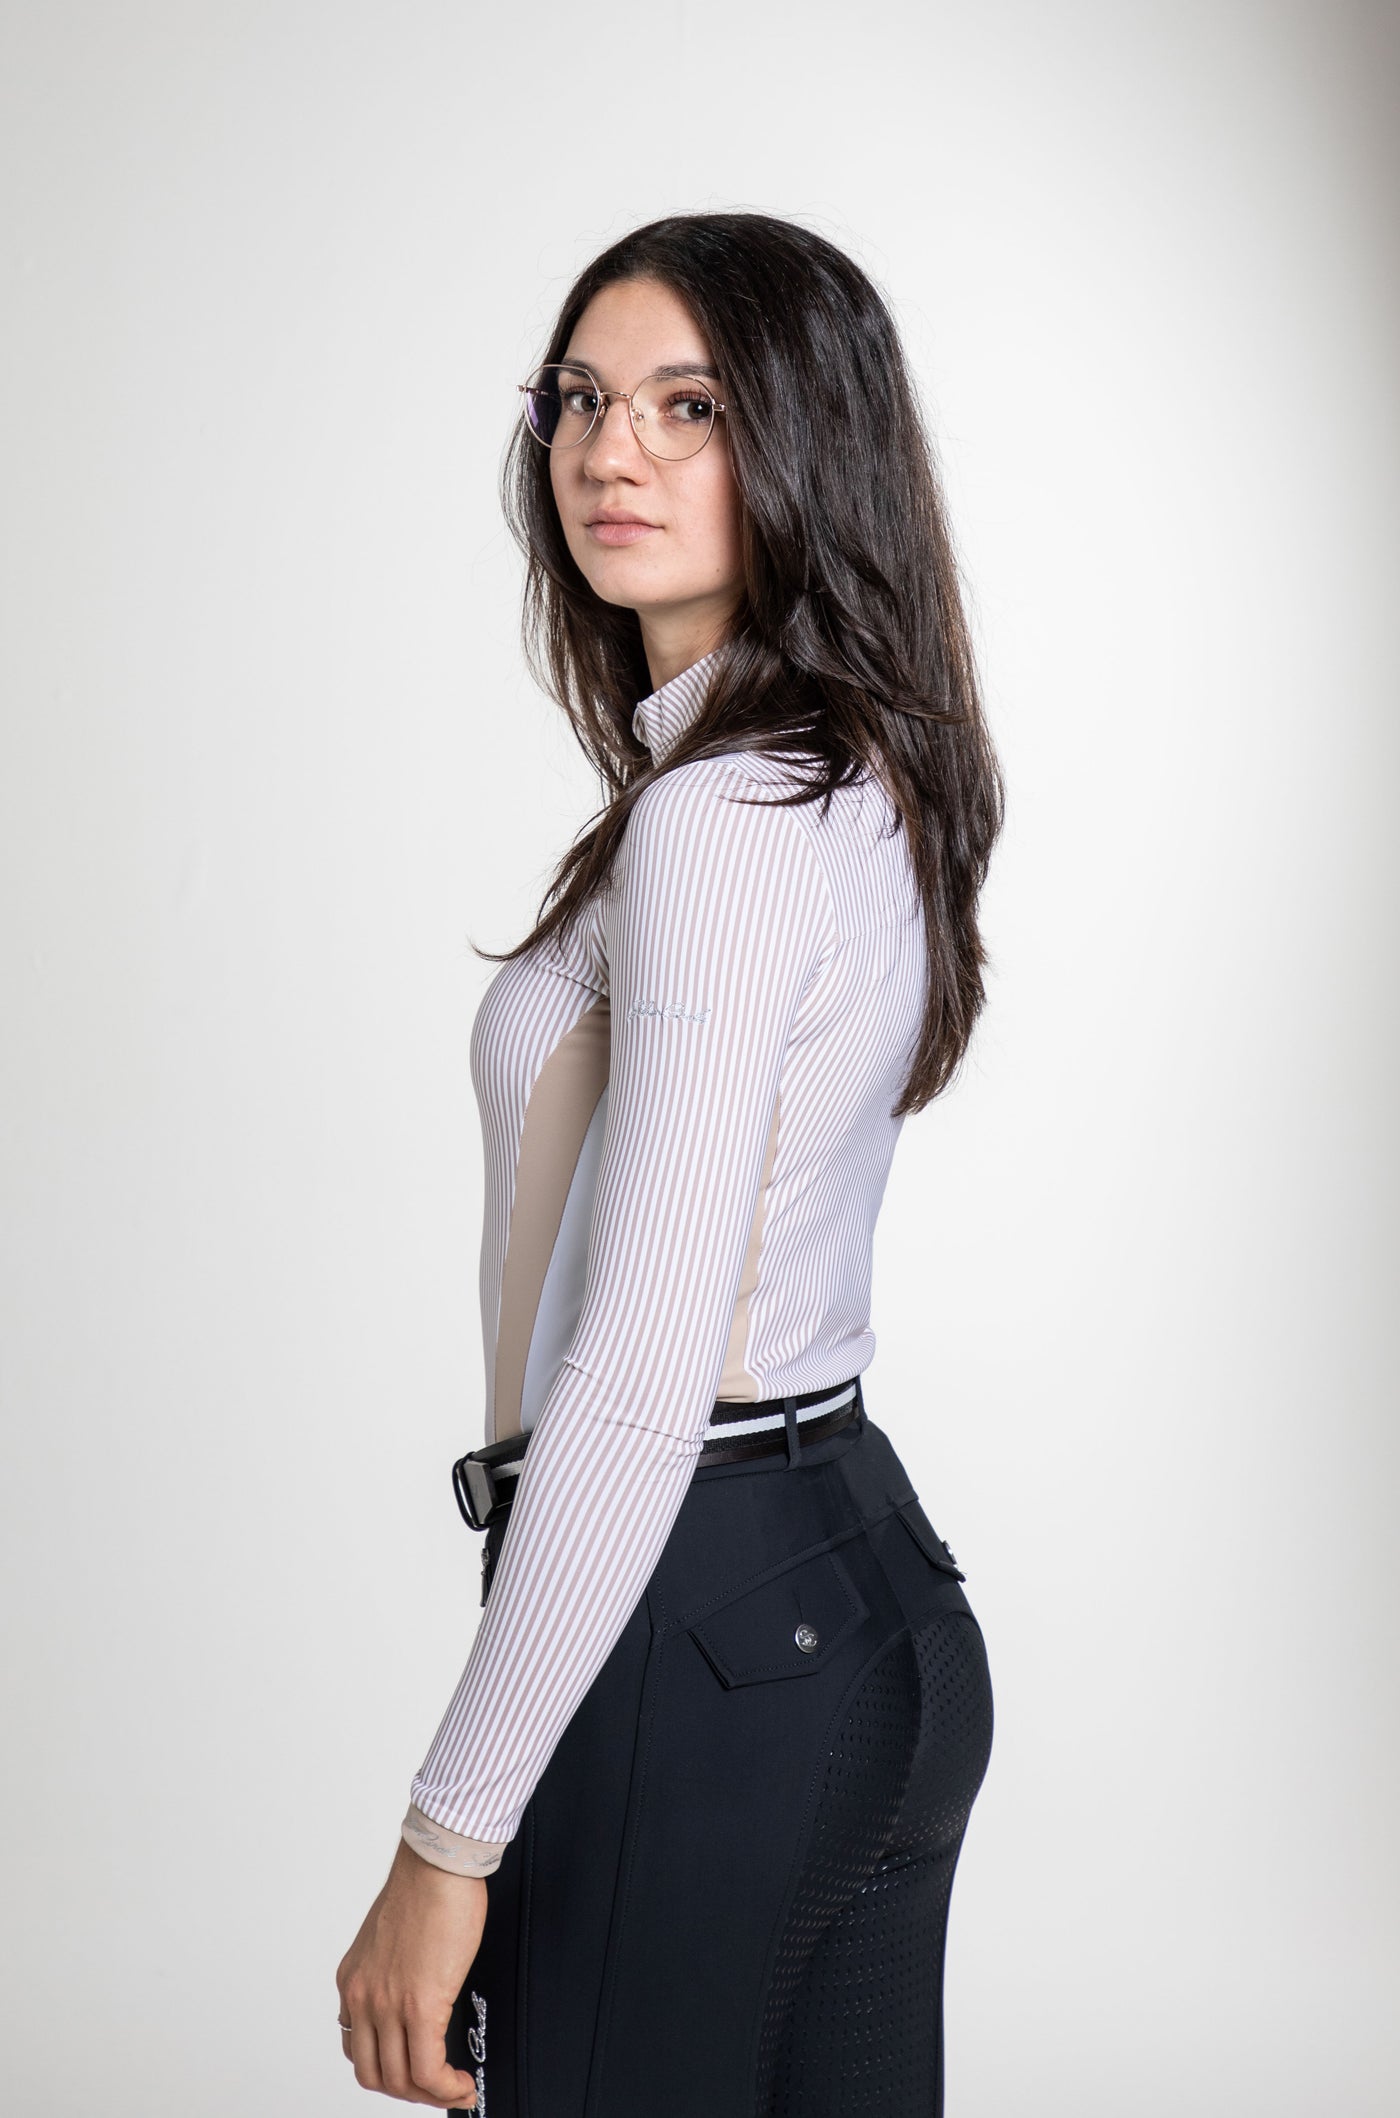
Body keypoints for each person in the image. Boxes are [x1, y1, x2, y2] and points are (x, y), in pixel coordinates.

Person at [335, 209, 1004, 2116]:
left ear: (808, 435)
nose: (608, 449)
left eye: (687, 405)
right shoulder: (855, 773)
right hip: (858, 1585)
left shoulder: (721, 818)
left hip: (691, 1623)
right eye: (579, 399)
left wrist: (446, 1838)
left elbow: (635, 1371)